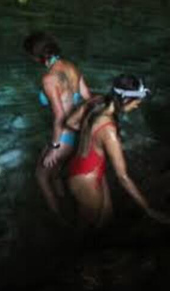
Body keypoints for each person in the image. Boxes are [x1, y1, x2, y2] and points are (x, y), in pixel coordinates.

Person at [66, 74, 170, 227]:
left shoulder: (98, 101)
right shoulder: (108, 129)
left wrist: (90, 133)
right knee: (88, 230)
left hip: (82, 166)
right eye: (136, 102)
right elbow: (123, 177)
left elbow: (70, 122)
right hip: (85, 178)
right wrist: (148, 209)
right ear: (126, 99)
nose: (137, 106)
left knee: (105, 219)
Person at [23, 32, 91, 220]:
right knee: (56, 175)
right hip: (76, 133)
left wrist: (54, 147)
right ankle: (69, 208)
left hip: (62, 137)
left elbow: (60, 115)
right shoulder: (71, 66)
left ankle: (59, 221)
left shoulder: (49, 78)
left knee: (41, 176)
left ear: (35, 56)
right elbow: (88, 98)